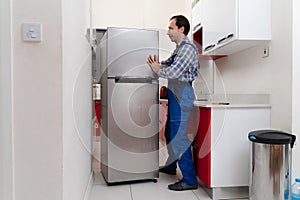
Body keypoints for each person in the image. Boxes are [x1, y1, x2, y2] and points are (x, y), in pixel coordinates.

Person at [147, 15, 200, 191]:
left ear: (181, 29)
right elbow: (167, 64)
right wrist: (158, 65)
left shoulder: (187, 49)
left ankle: (190, 179)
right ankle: (171, 166)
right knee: (170, 133)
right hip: (175, 93)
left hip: (181, 93)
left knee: (178, 137)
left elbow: (174, 72)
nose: (168, 31)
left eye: (171, 28)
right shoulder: (179, 49)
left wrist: (157, 69)